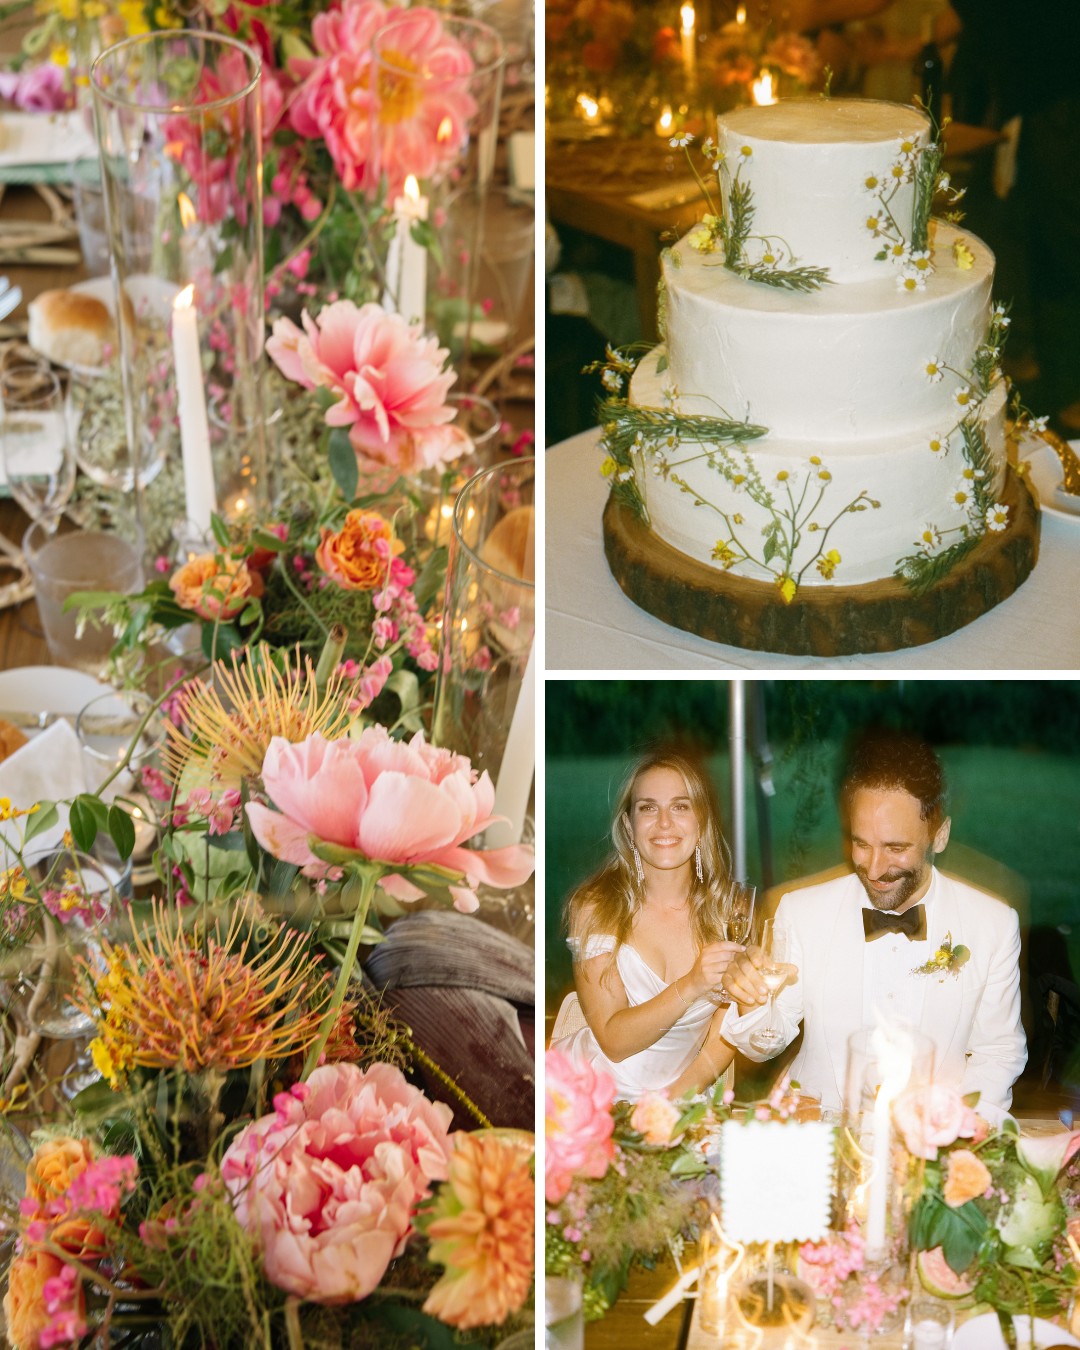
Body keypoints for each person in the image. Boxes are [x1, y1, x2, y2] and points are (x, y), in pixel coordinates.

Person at [721, 729, 1026, 1115]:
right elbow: (765, 1043)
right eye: (861, 844)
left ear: (940, 835)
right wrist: (752, 1002)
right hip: (820, 1133)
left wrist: (952, 1129)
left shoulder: (992, 925)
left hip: (927, 1149)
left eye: (896, 848)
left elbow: (997, 1052)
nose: (875, 868)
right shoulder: (801, 912)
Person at [558, 748, 742, 1103]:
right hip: (589, 1100)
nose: (664, 823)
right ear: (629, 826)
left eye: (680, 806)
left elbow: (729, 1025)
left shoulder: (728, 912)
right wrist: (692, 984)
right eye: (648, 808)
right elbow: (613, 1042)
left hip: (678, 1101)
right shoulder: (597, 908)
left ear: (701, 821)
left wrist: (671, 1102)